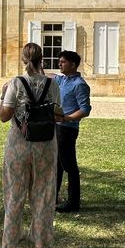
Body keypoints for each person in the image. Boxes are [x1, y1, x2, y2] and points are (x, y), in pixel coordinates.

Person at [0, 42, 64, 248]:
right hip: (45, 145)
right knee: (44, 195)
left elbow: (4, 116)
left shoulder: (16, 83)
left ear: (24, 59)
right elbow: (58, 114)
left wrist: (3, 97)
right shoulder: (52, 84)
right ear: (42, 59)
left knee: (14, 196)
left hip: (18, 145)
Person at [53, 50, 91, 213]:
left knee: (69, 166)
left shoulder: (79, 84)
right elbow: (45, 76)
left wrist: (66, 118)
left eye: (63, 62)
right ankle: (52, 198)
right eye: (59, 61)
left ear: (73, 64)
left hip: (67, 130)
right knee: (57, 165)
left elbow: (85, 110)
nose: (60, 63)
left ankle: (73, 202)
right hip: (57, 127)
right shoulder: (61, 80)